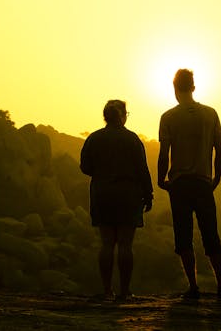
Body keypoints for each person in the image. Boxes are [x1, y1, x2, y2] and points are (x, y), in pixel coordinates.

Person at [158, 69, 221, 299]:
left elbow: (164, 153)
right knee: (211, 233)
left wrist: (161, 179)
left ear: (175, 88)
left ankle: (193, 287)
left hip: (179, 183)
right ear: (193, 87)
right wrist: (217, 178)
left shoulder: (168, 117)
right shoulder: (210, 114)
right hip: (203, 182)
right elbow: (220, 150)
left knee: (184, 235)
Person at [80, 99, 153, 301]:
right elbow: (142, 169)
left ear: (105, 116)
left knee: (106, 244)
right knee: (125, 245)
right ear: (122, 116)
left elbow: (85, 167)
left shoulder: (94, 139)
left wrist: (102, 173)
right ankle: (124, 291)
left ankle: (106, 290)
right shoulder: (132, 139)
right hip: (128, 196)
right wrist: (149, 194)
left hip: (102, 194)